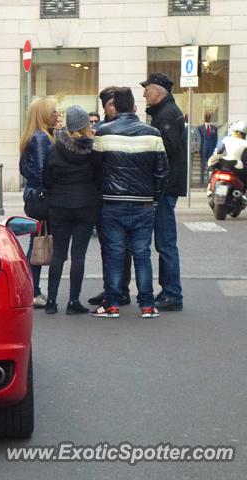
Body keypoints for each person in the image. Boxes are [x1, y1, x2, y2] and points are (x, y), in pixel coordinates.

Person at [91, 87, 169, 318]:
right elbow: (163, 172)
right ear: (134, 107)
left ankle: (112, 304)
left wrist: (102, 193)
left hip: (112, 203)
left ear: (116, 107)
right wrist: (154, 199)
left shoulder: (104, 132)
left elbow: (95, 169)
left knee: (115, 254)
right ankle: (147, 305)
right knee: (142, 254)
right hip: (143, 203)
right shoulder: (153, 133)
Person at [42, 106, 100, 315]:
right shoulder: (92, 150)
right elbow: (99, 177)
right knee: (78, 255)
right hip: (86, 205)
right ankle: (73, 301)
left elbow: (46, 179)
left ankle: (51, 301)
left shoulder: (54, 149)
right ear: (85, 126)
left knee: (58, 254)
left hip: (59, 205)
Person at [142, 72, 186, 311]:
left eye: (147, 89)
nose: (144, 94)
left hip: (165, 186)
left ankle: (172, 293)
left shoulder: (167, 114)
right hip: (167, 185)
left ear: (158, 91)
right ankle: (169, 290)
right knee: (164, 241)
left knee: (165, 242)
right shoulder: (166, 112)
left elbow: (166, 149)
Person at [88, 86, 133, 308]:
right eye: (110, 104)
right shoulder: (100, 130)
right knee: (109, 247)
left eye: (116, 103)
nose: (114, 108)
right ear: (104, 107)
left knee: (124, 247)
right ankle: (111, 288)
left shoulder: (129, 127)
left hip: (123, 196)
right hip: (104, 195)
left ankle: (120, 290)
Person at [19, 97, 59, 308]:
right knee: (40, 244)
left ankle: (31, 289)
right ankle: (33, 291)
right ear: (44, 114)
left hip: (34, 195)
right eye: (53, 111)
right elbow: (45, 171)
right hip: (43, 197)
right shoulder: (42, 138)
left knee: (38, 242)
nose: (57, 115)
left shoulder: (33, 136)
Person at [197, 112, 218, 183]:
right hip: (203, 149)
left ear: (210, 118)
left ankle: (209, 181)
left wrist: (214, 149)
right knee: (202, 166)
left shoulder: (214, 128)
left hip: (211, 150)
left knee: (211, 166)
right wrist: (198, 149)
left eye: (209, 117)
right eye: (206, 117)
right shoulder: (200, 128)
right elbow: (198, 139)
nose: (207, 118)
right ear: (204, 118)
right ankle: (201, 181)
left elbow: (215, 139)